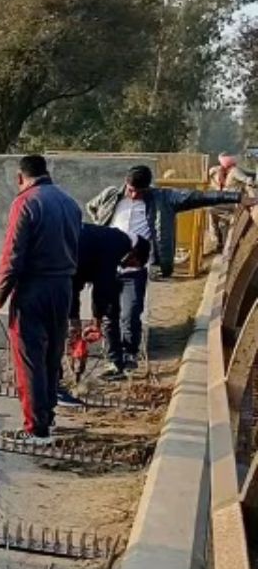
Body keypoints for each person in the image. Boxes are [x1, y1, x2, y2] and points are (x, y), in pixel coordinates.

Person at [87, 164, 255, 378]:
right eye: (130, 190)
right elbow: (93, 207)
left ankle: (130, 355)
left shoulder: (163, 199)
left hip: (135, 268)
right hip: (107, 267)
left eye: (139, 191)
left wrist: (238, 198)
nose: (134, 195)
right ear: (125, 184)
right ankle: (113, 361)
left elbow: (199, 197)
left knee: (130, 314)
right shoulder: (112, 196)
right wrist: (101, 227)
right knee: (109, 316)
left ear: (148, 187)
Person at [0, 155, 81, 444]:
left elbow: (13, 256)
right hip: (63, 287)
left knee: (29, 360)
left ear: (20, 177)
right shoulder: (70, 202)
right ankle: (47, 417)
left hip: (33, 289)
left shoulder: (26, 202)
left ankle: (35, 429)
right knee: (52, 355)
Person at [63, 225, 150, 397]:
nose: (127, 266)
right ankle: (58, 381)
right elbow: (101, 287)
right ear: (134, 253)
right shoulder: (116, 244)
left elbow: (79, 282)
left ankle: (61, 378)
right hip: (63, 265)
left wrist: (75, 320)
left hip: (66, 263)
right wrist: (94, 321)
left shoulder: (109, 239)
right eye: (133, 264)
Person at [207, 154, 256, 251]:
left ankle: (217, 239)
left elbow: (247, 179)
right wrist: (211, 173)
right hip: (224, 201)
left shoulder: (235, 171)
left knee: (210, 209)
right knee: (221, 222)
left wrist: (251, 184)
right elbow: (209, 174)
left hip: (233, 202)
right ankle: (220, 243)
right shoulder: (220, 171)